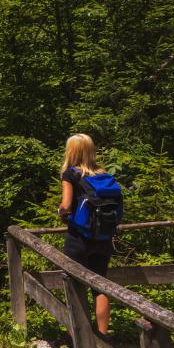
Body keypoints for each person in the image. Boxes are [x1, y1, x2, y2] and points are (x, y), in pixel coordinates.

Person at [57, 133, 115, 335]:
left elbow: (66, 205)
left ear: (71, 151)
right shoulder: (102, 174)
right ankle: (102, 337)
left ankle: (80, 338)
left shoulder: (70, 174)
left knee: (75, 284)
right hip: (103, 238)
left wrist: (61, 212)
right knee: (100, 286)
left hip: (78, 238)